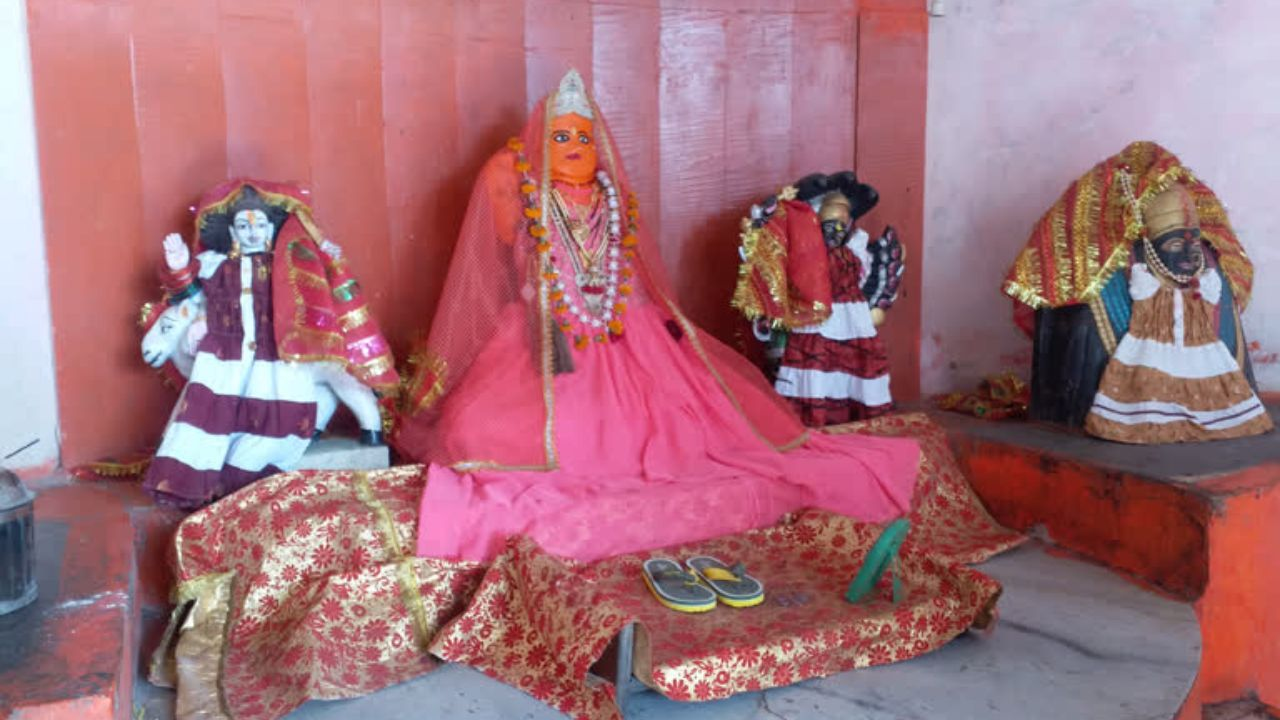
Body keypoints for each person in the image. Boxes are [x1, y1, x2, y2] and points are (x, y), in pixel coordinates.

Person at [396, 70, 920, 563]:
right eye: (561, 137)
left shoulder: (611, 194)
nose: (576, 147)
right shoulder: (520, 189)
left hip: (625, 326)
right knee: (498, 430)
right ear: (540, 144)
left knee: (684, 425)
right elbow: (511, 259)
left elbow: (630, 266)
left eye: (584, 137)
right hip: (548, 326)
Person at [143, 180, 397, 508]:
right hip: (226, 357)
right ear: (233, 233)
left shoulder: (284, 267)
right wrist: (178, 265)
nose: (252, 232)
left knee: (272, 419)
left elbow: (315, 285)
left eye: (259, 225)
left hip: (271, 355)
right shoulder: (216, 266)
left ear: (268, 230)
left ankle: (246, 477)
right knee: (207, 419)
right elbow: (189, 295)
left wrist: (326, 255)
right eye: (243, 226)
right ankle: (203, 480)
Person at [1002, 142, 1270, 442]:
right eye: (1173, 245)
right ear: (1148, 247)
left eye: (1194, 243)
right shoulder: (1120, 279)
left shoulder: (1210, 277)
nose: (1189, 255)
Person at [733, 172, 904, 425]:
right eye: (828, 223)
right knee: (811, 365)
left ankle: (853, 410)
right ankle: (812, 414)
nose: (836, 230)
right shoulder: (802, 252)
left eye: (842, 223)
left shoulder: (855, 251)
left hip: (850, 318)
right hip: (811, 315)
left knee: (853, 365)